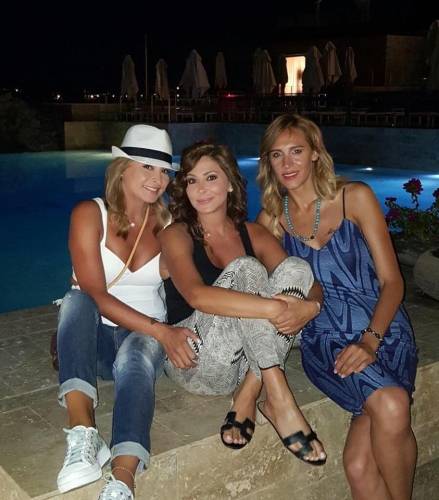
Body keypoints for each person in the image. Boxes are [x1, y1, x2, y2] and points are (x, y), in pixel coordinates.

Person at [257, 113, 418, 500]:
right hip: (326, 341)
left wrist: (370, 341)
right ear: (269, 163)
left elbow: (393, 282)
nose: (288, 163)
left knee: (360, 466)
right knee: (391, 405)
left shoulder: (354, 197)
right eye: (277, 155)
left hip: (384, 331)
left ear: (315, 152)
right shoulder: (272, 221)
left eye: (296, 151)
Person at [159, 141, 327, 464]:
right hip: (196, 362)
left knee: (296, 267)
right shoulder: (175, 234)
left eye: (211, 177)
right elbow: (196, 295)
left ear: (230, 183)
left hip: (246, 365)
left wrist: (310, 307)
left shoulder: (253, 233)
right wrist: (276, 308)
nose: (200, 189)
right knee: (247, 270)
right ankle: (278, 397)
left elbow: (309, 283)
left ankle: (250, 389)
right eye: (192, 180)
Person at [56, 125, 198, 500]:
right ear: (122, 167)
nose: (158, 179)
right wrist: (161, 330)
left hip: (143, 342)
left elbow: (192, 280)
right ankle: (83, 433)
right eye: (147, 167)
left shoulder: (169, 226)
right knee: (76, 300)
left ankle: (123, 480)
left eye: (164, 171)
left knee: (136, 354)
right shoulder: (89, 214)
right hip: (96, 344)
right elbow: (94, 293)